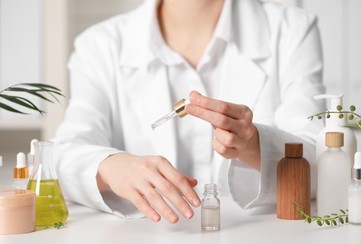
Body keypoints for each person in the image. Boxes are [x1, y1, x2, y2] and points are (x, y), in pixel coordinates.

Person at [53, 0, 325, 223]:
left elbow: (321, 165)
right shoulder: (100, 45)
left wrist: (252, 144)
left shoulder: (291, 30)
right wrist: (109, 165)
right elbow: (61, 154)